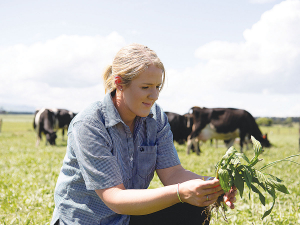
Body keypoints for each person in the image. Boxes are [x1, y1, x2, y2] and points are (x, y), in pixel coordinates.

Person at [50, 43, 237, 225]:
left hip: (128, 216)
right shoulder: (90, 124)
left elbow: (173, 174)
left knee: (191, 208)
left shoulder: (156, 118)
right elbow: (114, 198)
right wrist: (180, 192)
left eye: (158, 86)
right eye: (146, 87)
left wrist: (212, 186)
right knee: (182, 198)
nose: (155, 95)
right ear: (119, 83)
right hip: (87, 220)